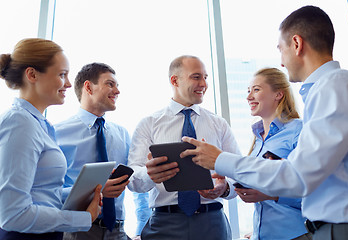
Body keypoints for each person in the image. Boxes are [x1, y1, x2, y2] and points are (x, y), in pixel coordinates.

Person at [181, 5, 348, 240]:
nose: (282, 63)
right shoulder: (335, 87)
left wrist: (219, 159)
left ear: (297, 44)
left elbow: (298, 176)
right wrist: (226, 187)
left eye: (281, 50)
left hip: (337, 229)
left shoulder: (333, 87)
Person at [127, 55, 241, 240]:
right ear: (175, 80)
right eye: (196, 77)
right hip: (165, 225)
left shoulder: (218, 124)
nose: (203, 83)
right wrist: (149, 174)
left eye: (205, 77)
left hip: (212, 223)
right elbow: (133, 180)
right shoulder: (149, 124)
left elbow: (240, 173)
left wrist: (225, 188)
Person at [0, 38, 102, 240]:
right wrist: (83, 218)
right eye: (62, 74)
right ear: (32, 74)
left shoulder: (40, 125)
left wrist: (86, 192)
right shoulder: (20, 124)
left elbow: (42, 195)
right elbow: (12, 214)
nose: (69, 83)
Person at [55, 62, 151, 240]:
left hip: (118, 231)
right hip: (77, 230)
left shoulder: (122, 134)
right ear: (88, 87)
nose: (117, 91)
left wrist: (141, 228)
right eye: (110, 84)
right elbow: (48, 192)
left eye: (117, 85)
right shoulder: (57, 133)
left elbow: (135, 183)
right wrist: (94, 192)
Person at [236, 68, 310, 240]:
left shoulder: (299, 130)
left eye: (256, 89)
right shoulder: (257, 138)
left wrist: (272, 195)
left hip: (294, 234)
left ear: (278, 94)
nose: (249, 97)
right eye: (248, 91)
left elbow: (312, 187)